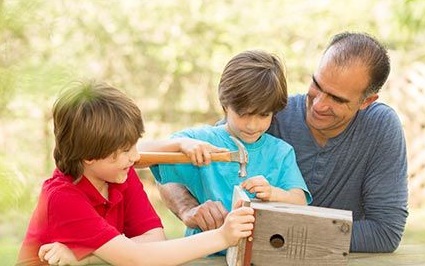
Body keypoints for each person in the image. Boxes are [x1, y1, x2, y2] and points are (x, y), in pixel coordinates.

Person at [158, 32, 408, 253]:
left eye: (337, 99)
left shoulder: (380, 127)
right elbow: (177, 168)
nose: (319, 104)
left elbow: (385, 232)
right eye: (317, 85)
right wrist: (188, 210)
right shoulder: (269, 112)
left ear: (367, 101)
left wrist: (280, 236)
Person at [16, 81, 255, 266]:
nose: (135, 158)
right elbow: (139, 261)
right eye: (123, 151)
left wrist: (87, 257)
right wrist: (222, 236)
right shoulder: (62, 198)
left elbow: (155, 241)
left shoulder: (120, 173)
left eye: (134, 145)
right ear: (89, 156)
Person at [151, 50, 311, 247]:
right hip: (202, 255)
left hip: (259, 259)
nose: (252, 125)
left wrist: (274, 193)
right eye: (243, 114)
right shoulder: (200, 140)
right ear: (225, 103)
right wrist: (179, 144)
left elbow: (300, 201)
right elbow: (139, 156)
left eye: (263, 115)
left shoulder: (281, 152)